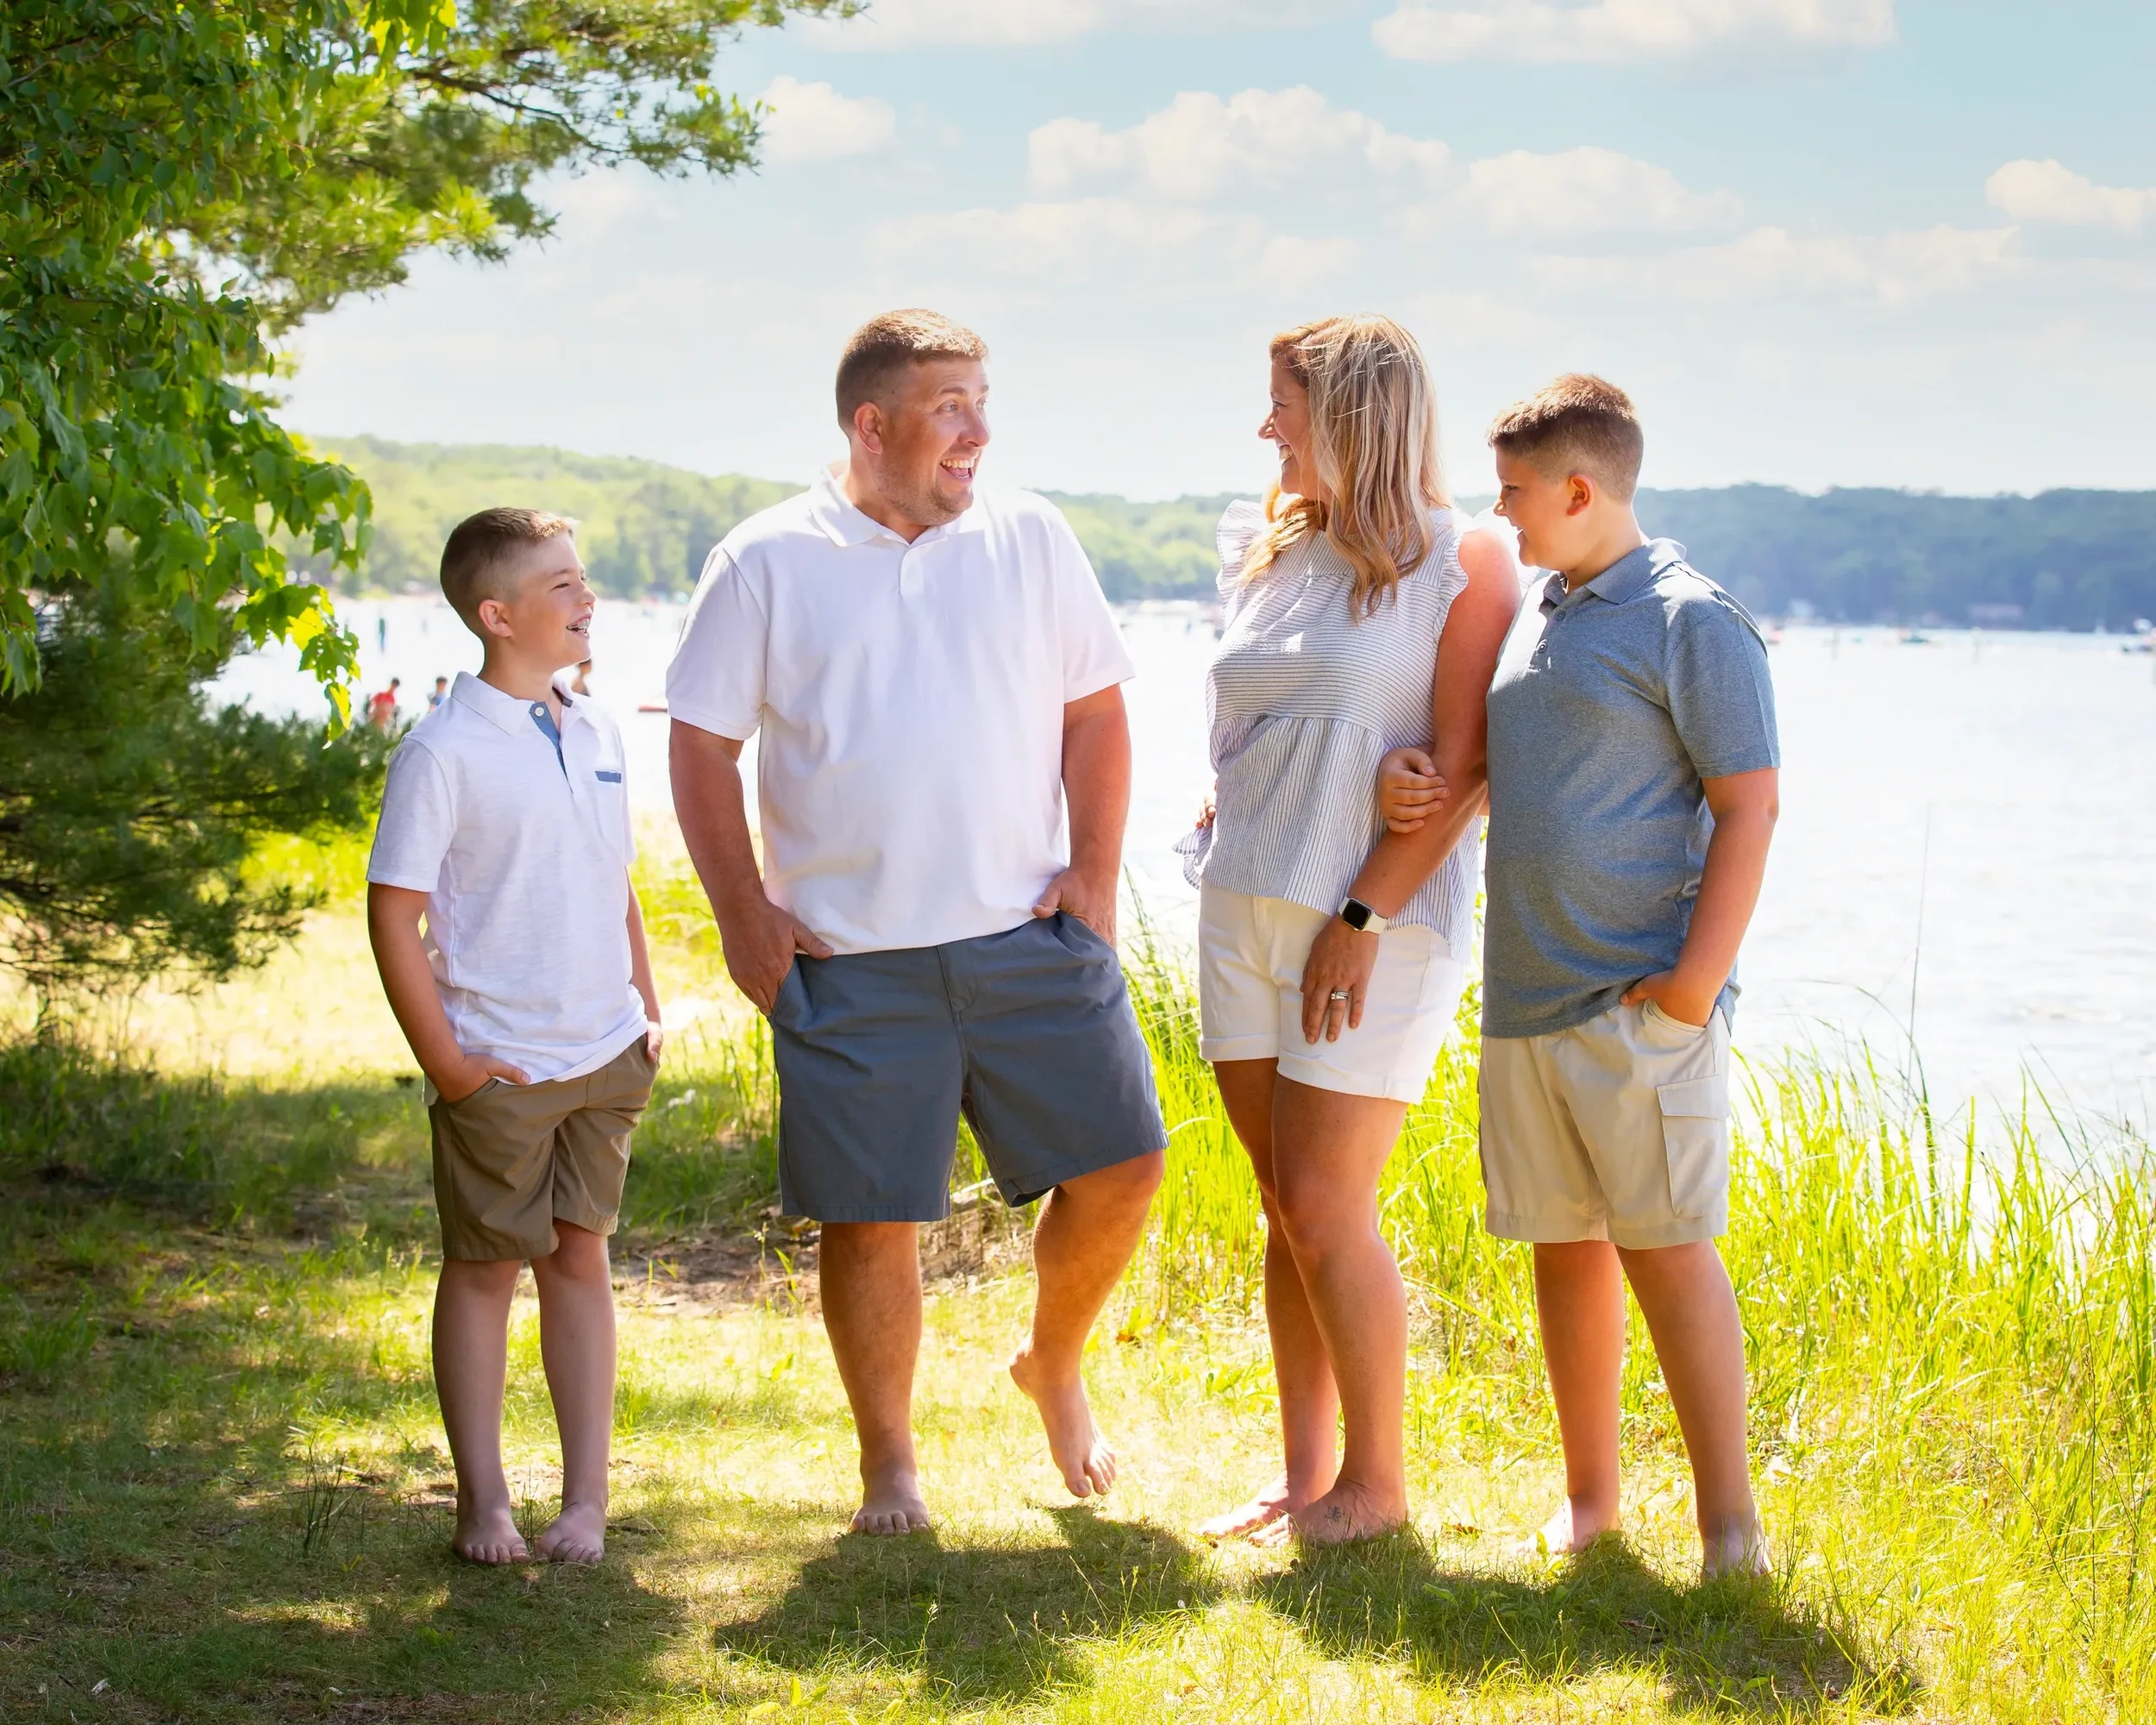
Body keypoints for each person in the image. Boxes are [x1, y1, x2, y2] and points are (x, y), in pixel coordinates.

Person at [666, 310, 1167, 1537]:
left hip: (1027, 940)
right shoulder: (765, 559)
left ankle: (1053, 1361)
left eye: (983, 401)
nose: (979, 431)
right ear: (871, 424)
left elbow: (1096, 713)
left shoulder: (1030, 535)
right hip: (849, 958)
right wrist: (744, 917)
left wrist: (1094, 877)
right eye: (951, 405)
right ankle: (889, 1465)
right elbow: (699, 745)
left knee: (1126, 1166)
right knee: (871, 1213)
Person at [1382, 374, 1780, 1576]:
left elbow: (1751, 807)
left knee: (1666, 1250)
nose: (1502, 516)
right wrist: (1416, 772)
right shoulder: (1543, 611)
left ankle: (1729, 1528)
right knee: (1566, 1249)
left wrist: (1690, 992)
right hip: (1528, 1000)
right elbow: (1505, 769)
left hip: (1638, 1005)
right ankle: (1592, 1509)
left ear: (1578, 487)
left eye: (1513, 494)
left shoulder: (1689, 620)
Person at [1179, 316, 1518, 1546]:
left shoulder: (1462, 561)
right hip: (1242, 900)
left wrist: (1362, 910)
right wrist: (1233, 785)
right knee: (1284, 1207)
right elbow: (1258, 716)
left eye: (1284, 404)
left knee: (1328, 1203)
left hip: (1374, 926)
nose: (1266, 426)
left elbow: (1467, 765)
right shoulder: (1269, 543)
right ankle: (1303, 1477)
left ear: (1356, 414)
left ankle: (1378, 1489)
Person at [366, 507, 664, 1566]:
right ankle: (482, 1501)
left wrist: (646, 1001)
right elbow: (391, 914)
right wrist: (447, 1063)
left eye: (584, 581)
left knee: (580, 1259)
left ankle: (585, 1502)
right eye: (562, 586)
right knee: (488, 1268)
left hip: (605, 1051)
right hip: (500, 1060)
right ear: (498, 616)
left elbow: (610, 875)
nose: (587, 600)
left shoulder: (596, 727)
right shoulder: (442, 751)